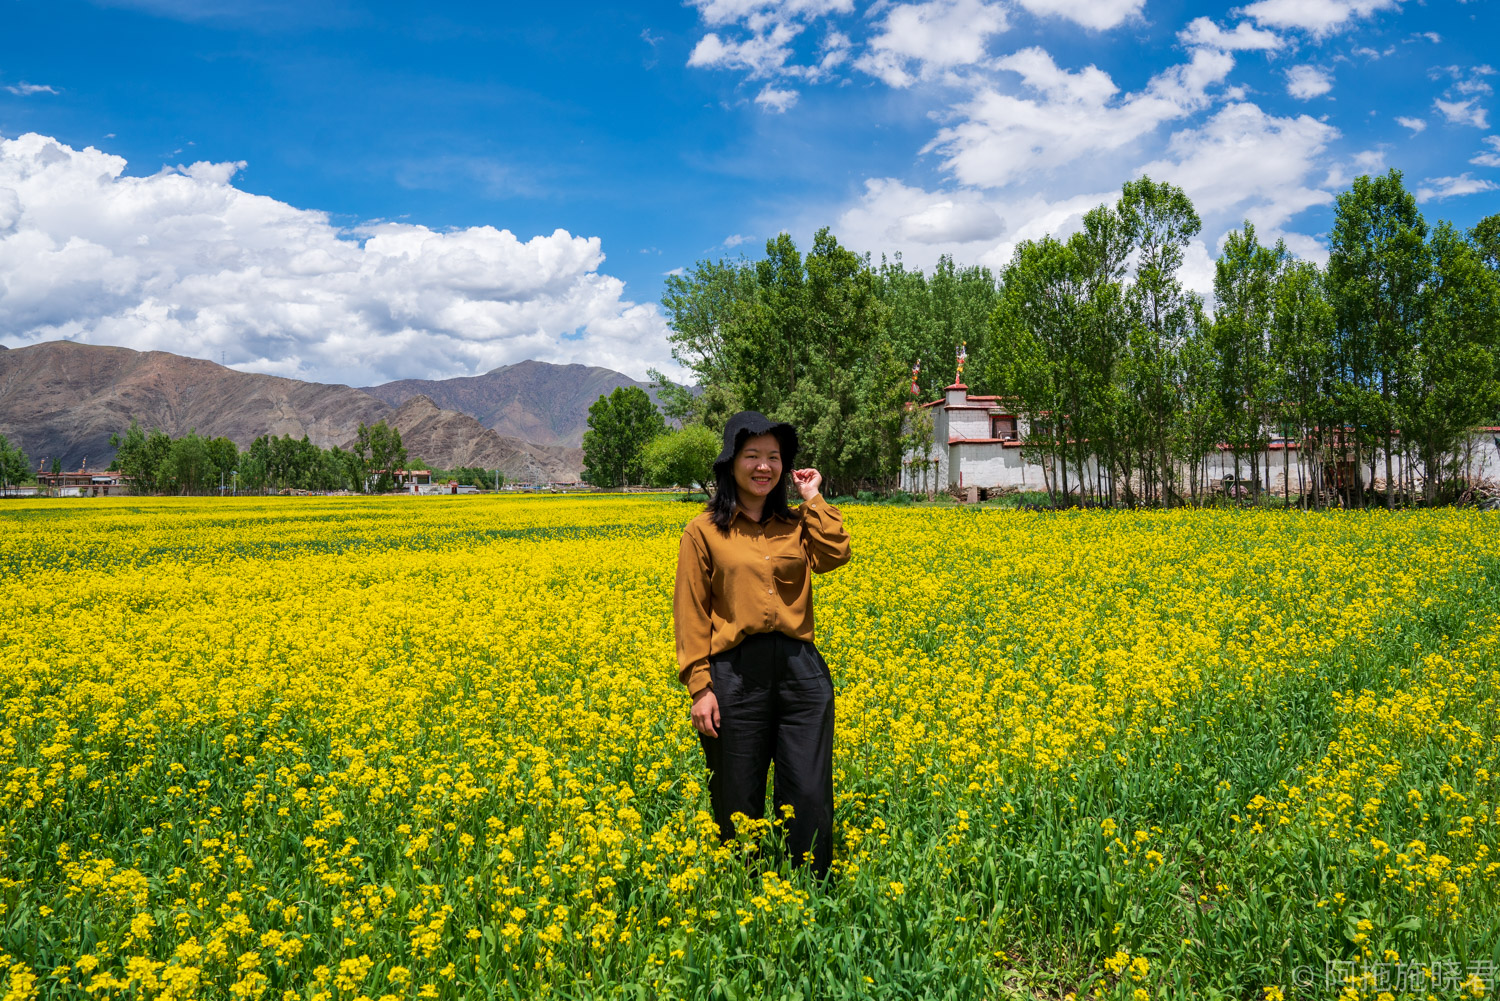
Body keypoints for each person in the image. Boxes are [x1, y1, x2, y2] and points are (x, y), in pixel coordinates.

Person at [672, 411, 852, 881]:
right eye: (752, 455)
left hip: (800, 671)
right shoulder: (703, 531)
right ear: (731, 462)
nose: (763, 467)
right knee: (737, 792)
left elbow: (835, 554)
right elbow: (691, 613)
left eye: (774, 457)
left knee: (808, 789)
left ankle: (810, 886)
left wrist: (813, 498)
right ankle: (742, 890)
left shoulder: (795, 523)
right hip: (735, 673)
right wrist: (699, 686)